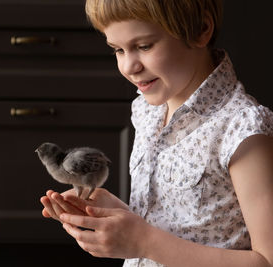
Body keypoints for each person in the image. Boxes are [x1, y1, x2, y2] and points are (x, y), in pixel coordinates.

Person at [40, 0, 273, 266]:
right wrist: (115, 215)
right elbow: (174, 226)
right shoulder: (147, 110)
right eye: (118, 49)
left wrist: (144, 242)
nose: (129, 66)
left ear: (201, 30)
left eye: (143, 46)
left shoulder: (243, 131)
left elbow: (267, 260)